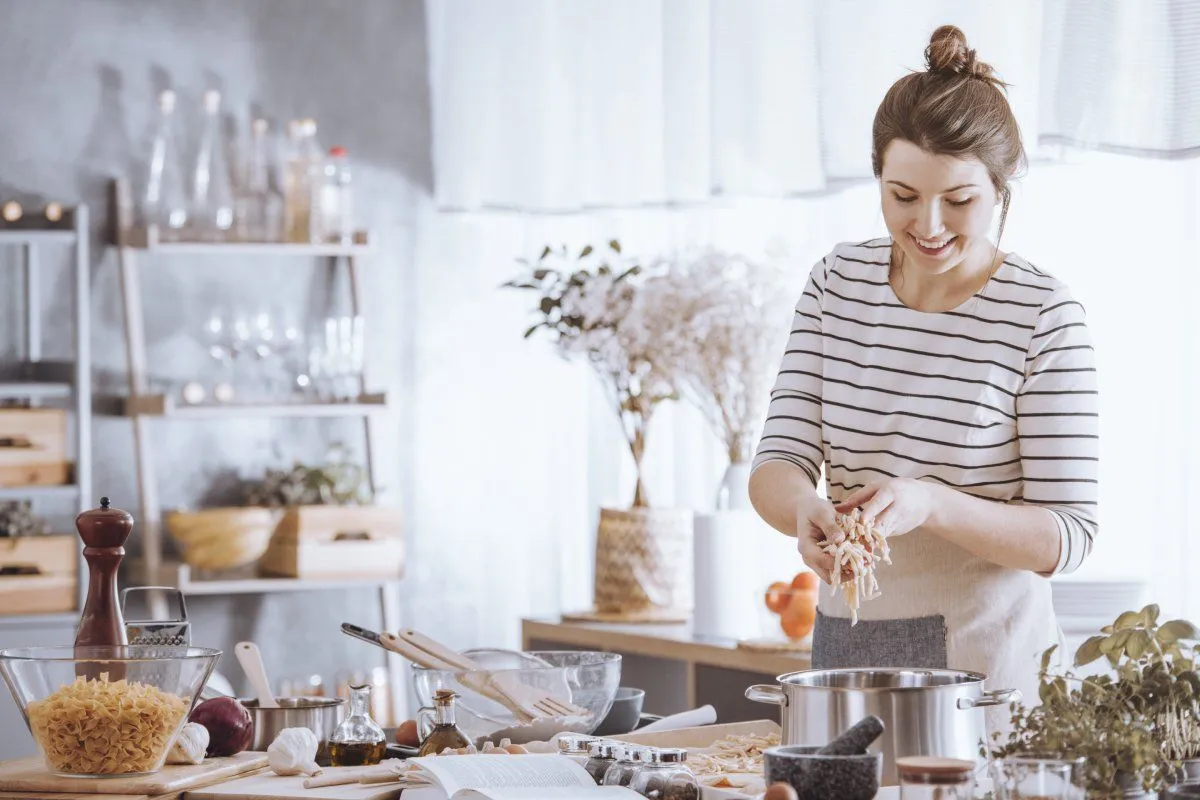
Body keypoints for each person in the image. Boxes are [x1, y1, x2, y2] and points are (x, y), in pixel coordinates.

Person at [747, 25, 1098, 734]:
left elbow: (1067, 536)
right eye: (902, 194)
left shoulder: (1043, 315)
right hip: (846, 654)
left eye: (959, 200)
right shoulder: (837, 283)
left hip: (990, 682)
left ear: (1002, 186)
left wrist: (931, 503)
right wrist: (804, 513)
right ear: (876, 174)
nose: (928, 225)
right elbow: (777, 464)